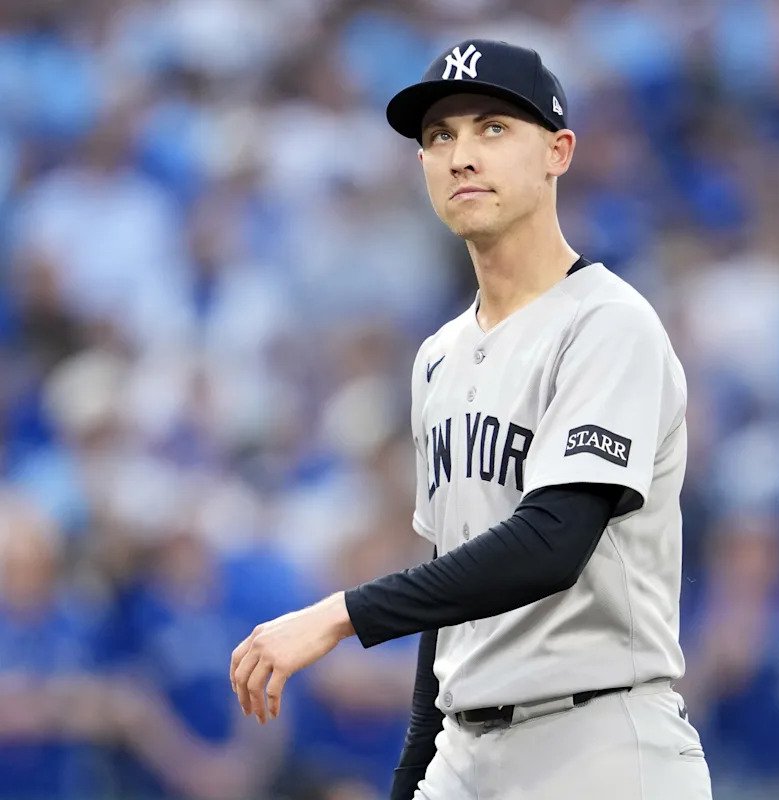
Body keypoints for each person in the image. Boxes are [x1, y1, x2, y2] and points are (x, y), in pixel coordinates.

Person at [230, 39, 712, 800]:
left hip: (598, 741)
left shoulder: (607, 322)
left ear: (557, 152)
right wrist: (410, 777)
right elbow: (452, 596)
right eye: (439, 136)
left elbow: (552, 543)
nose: (461, 156)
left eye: (493, 128)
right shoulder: (438, 357)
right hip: (464, 747)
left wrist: (342, 615)